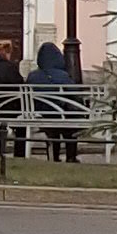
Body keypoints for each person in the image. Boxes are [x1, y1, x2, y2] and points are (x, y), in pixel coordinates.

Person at [34, 34, 81, 165]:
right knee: (70, 126)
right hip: (61, 114)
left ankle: (53, 156)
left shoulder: (33, 76)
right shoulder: (62, 75)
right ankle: (71, 157)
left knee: (53, 130)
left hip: (42, 114)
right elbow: (74, 93)